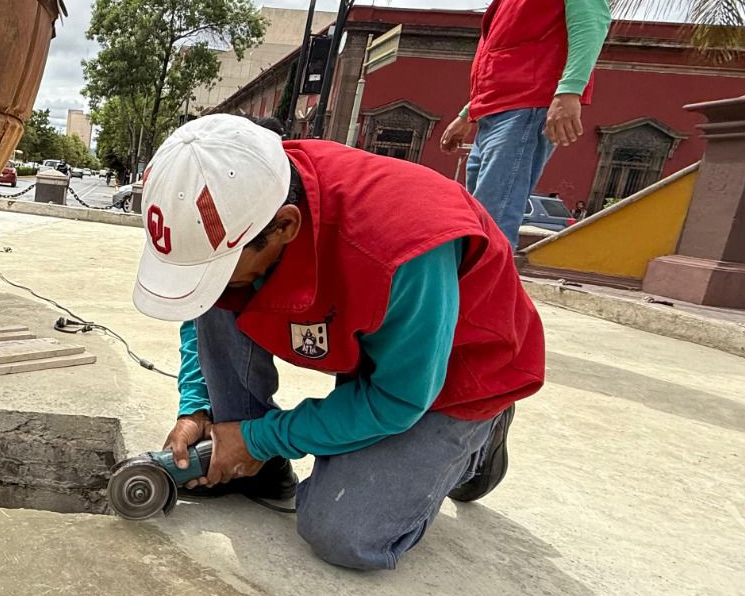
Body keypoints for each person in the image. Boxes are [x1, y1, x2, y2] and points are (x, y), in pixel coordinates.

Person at [133, 114, 545, 571]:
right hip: (377, 334)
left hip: (456, 370)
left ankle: (478, 442)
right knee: (229, 291)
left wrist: (261, 437)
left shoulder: (400, 247)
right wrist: (197, 408)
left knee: (342, 532)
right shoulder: (246, 187)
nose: (213, 285)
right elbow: (204, 305)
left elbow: (398, 399)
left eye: (217, 270)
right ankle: (253, 465)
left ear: (285, 227)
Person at [440, 0, 612, 246]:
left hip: (525, 107)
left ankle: (485, 286)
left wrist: (569, 90)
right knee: (477, 217)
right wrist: (468, 114)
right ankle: (472, 282)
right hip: (497, 111)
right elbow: (505, 54)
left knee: (492, 221)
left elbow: (590, 18)